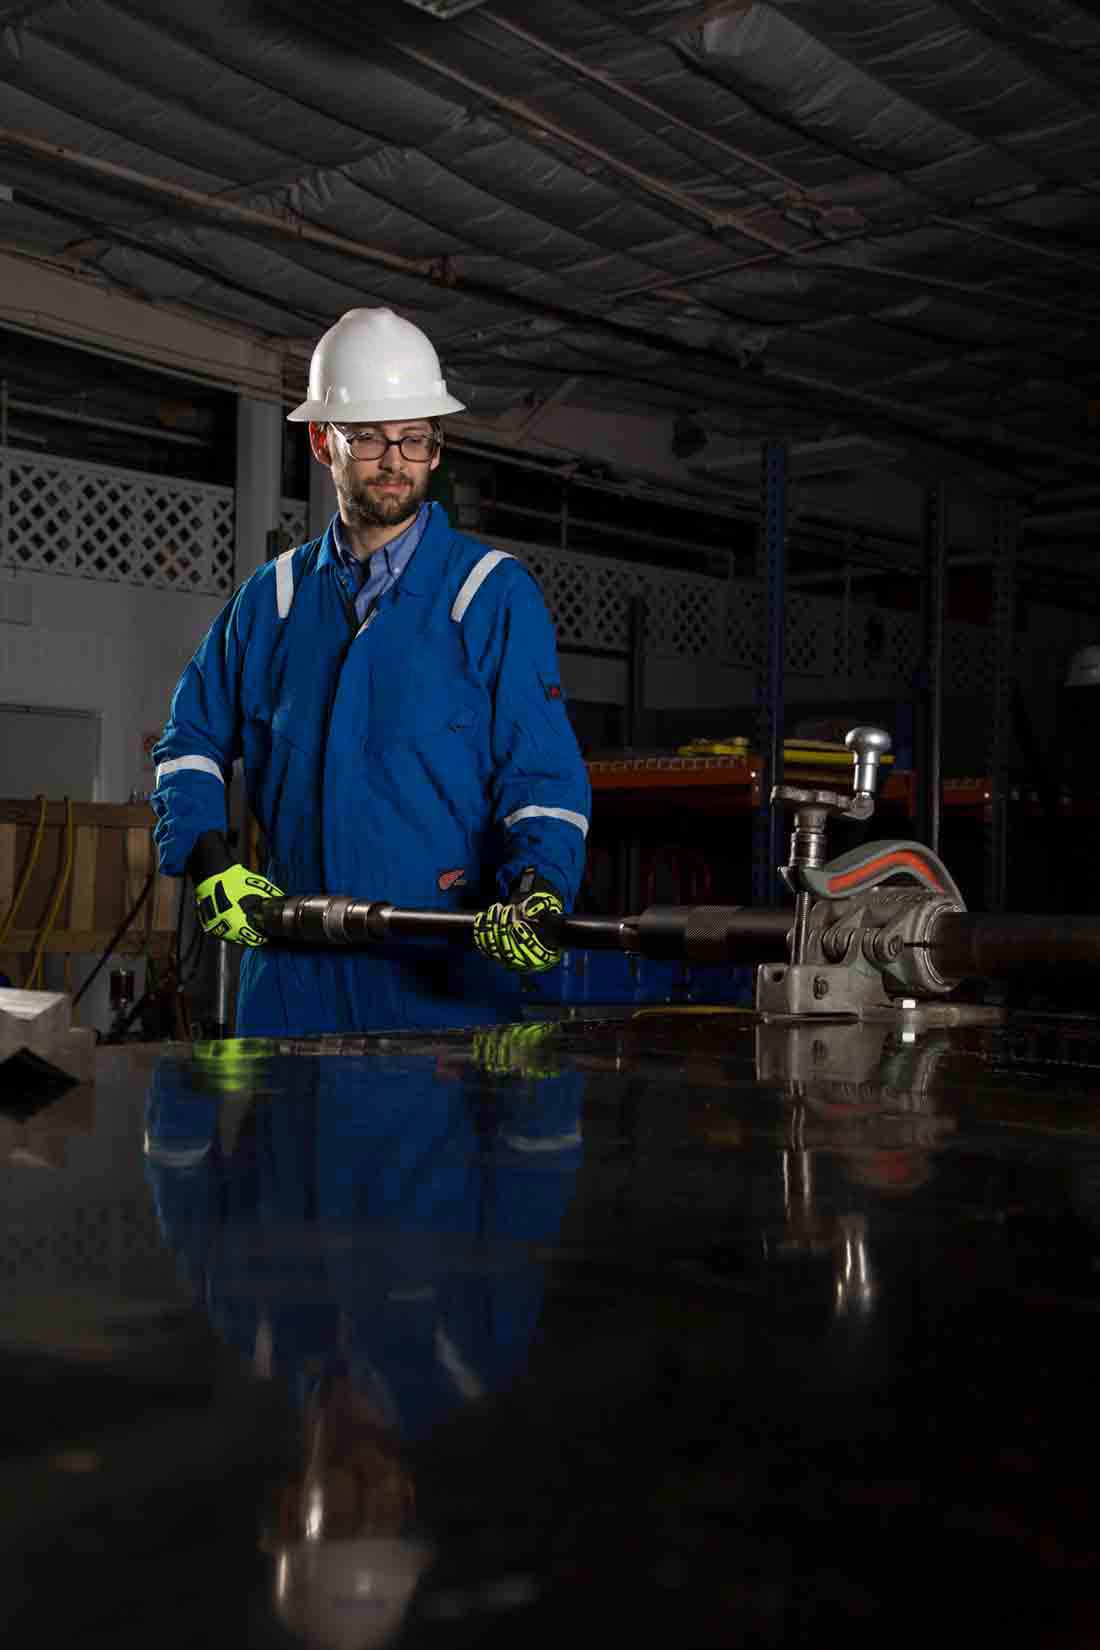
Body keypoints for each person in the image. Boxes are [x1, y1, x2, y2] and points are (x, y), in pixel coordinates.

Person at [151, 307, 590, 1035]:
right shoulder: (274, 600)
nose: (395, 460)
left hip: (442, 977)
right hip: (294, 975)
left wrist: (540, 889)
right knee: (281, 1148)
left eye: (414, 438)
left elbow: (541, 779)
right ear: (324, 443)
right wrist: (210, 862)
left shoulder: (488, 594)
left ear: (436, 448)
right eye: (371, 439)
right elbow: (188, 742)